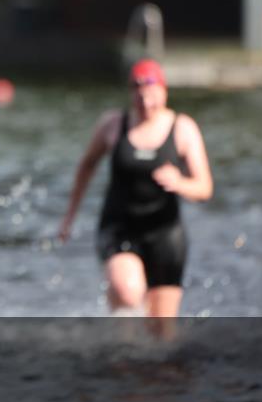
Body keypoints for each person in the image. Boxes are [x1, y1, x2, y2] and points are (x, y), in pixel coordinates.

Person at [58, 59, 213, 319]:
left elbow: (205, 188)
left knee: (161, 333)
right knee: (128, 291)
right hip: (119, 228)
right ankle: (120, 350)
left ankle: (147, 356)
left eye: (151, 96)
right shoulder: (112, 124)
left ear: (164, 91)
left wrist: (179, 182)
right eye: (138, 96)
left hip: (165, 235)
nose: (145, 104)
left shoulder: (183, 128)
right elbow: (86, 166)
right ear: (131, 94)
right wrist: (69, 216)